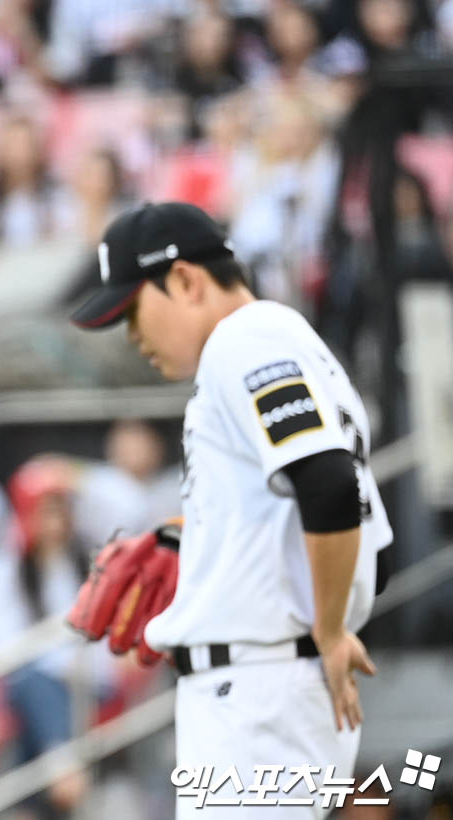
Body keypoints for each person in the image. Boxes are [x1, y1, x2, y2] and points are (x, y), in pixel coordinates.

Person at [68, 202, 394, 818]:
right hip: (261, 689)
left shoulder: (244, 338)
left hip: (258, 692)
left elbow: (327, 482)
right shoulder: (275, 343)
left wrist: (329, 630)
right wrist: (202, 545)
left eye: (134, 310)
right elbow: (326, 499)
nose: (133, 336)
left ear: (187, 280)